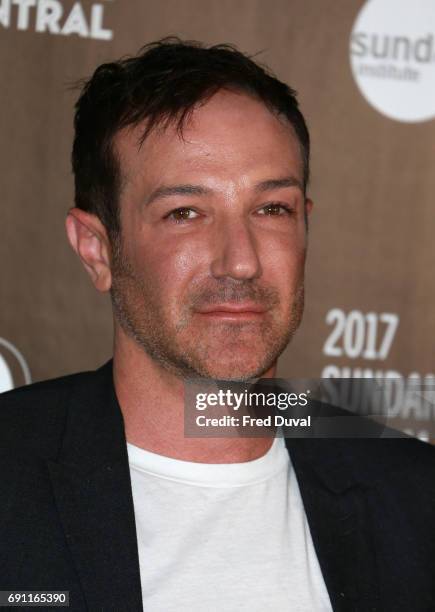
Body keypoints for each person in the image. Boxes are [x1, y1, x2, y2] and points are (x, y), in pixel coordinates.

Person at [1, 37, 434, 612]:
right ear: (97, 249)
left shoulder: (415, 498)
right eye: (185, 213)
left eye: (271, 208)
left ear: (305, 225)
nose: (241, 260)